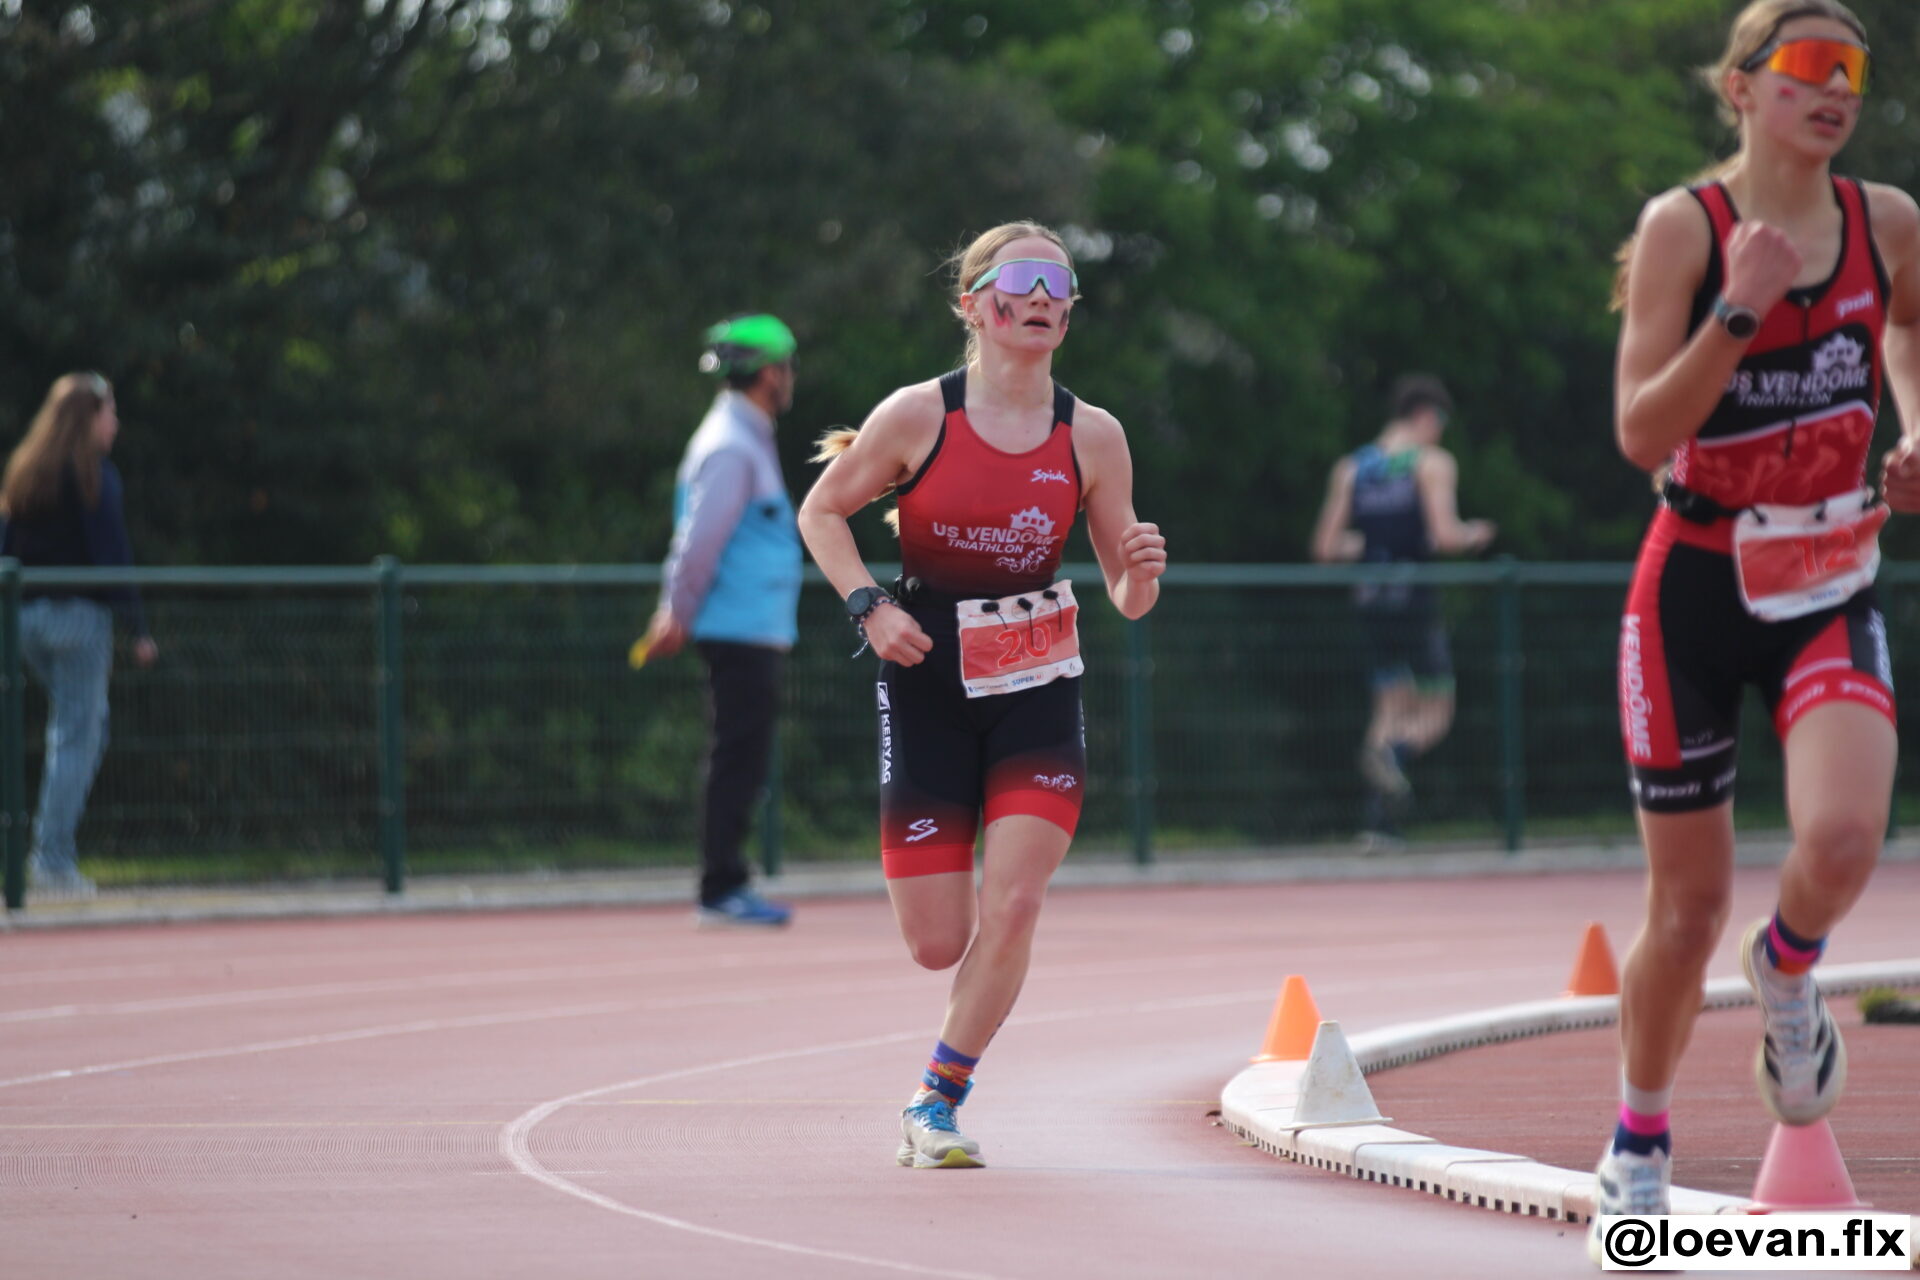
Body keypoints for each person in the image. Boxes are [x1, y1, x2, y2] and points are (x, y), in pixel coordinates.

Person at [1598, 0, 1920, 1233]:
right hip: (1693, 582)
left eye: (1854, 71)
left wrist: (1915, 428)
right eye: (1809, 67)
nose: (1836, 90)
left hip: (1829, 574)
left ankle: (1787, 968)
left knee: (1841, 837)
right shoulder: (1686, 227)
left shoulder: (1886, 222)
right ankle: (1639, 1139)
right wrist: (1738, 310)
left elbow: (1907, 328)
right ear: (1742, 87)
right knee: (1685, 909)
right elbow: (1640, 432)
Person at [798, 222, 1166, 1168]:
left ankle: (936, 1100)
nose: (1042, 296)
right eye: (1022, 279)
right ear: (974, 305)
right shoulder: (918, 416)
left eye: (1060, 283)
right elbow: (821, 510)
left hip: (1036, 686)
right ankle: (939, 1072)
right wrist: (870, 605)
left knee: (1016, 905)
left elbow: (1127, 598)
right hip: (926, 679)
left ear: (1069, 312)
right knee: (936, 941)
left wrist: (1139, 571)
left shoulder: (1093, 435)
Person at [640, 315, 802, 928]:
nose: (791, 379)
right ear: (769, 373)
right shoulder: (732, 445)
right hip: (737, 628)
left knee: (743, 754)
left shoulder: (746, 435)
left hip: (752, 626)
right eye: (787, 367)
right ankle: (721, 886)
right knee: (737, 756)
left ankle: (726, 881)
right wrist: (676, 611)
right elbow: (699, 540)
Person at [1309, 374, 1494, 844]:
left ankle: (1378, 826)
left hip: (1371, 601)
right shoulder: (1430, 463)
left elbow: (1326, 547)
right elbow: (1447, 536)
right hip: (1414, 602)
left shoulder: (1353, 468)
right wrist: (1473, 534)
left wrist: (1375, 547)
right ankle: (1391, 757)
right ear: (1427, 416)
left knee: (1388, 708)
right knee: (1437, 710)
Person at [0, 372, 158, 898]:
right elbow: (113, 554)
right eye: (110, 412)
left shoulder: (28, 470)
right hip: (78, 621)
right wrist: (137, 627)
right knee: (76, 735)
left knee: (81, 729)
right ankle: (52, 862)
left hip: (26, 621)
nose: (116, 423)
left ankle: (50, 854)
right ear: (89, 417)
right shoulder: (95, 475)